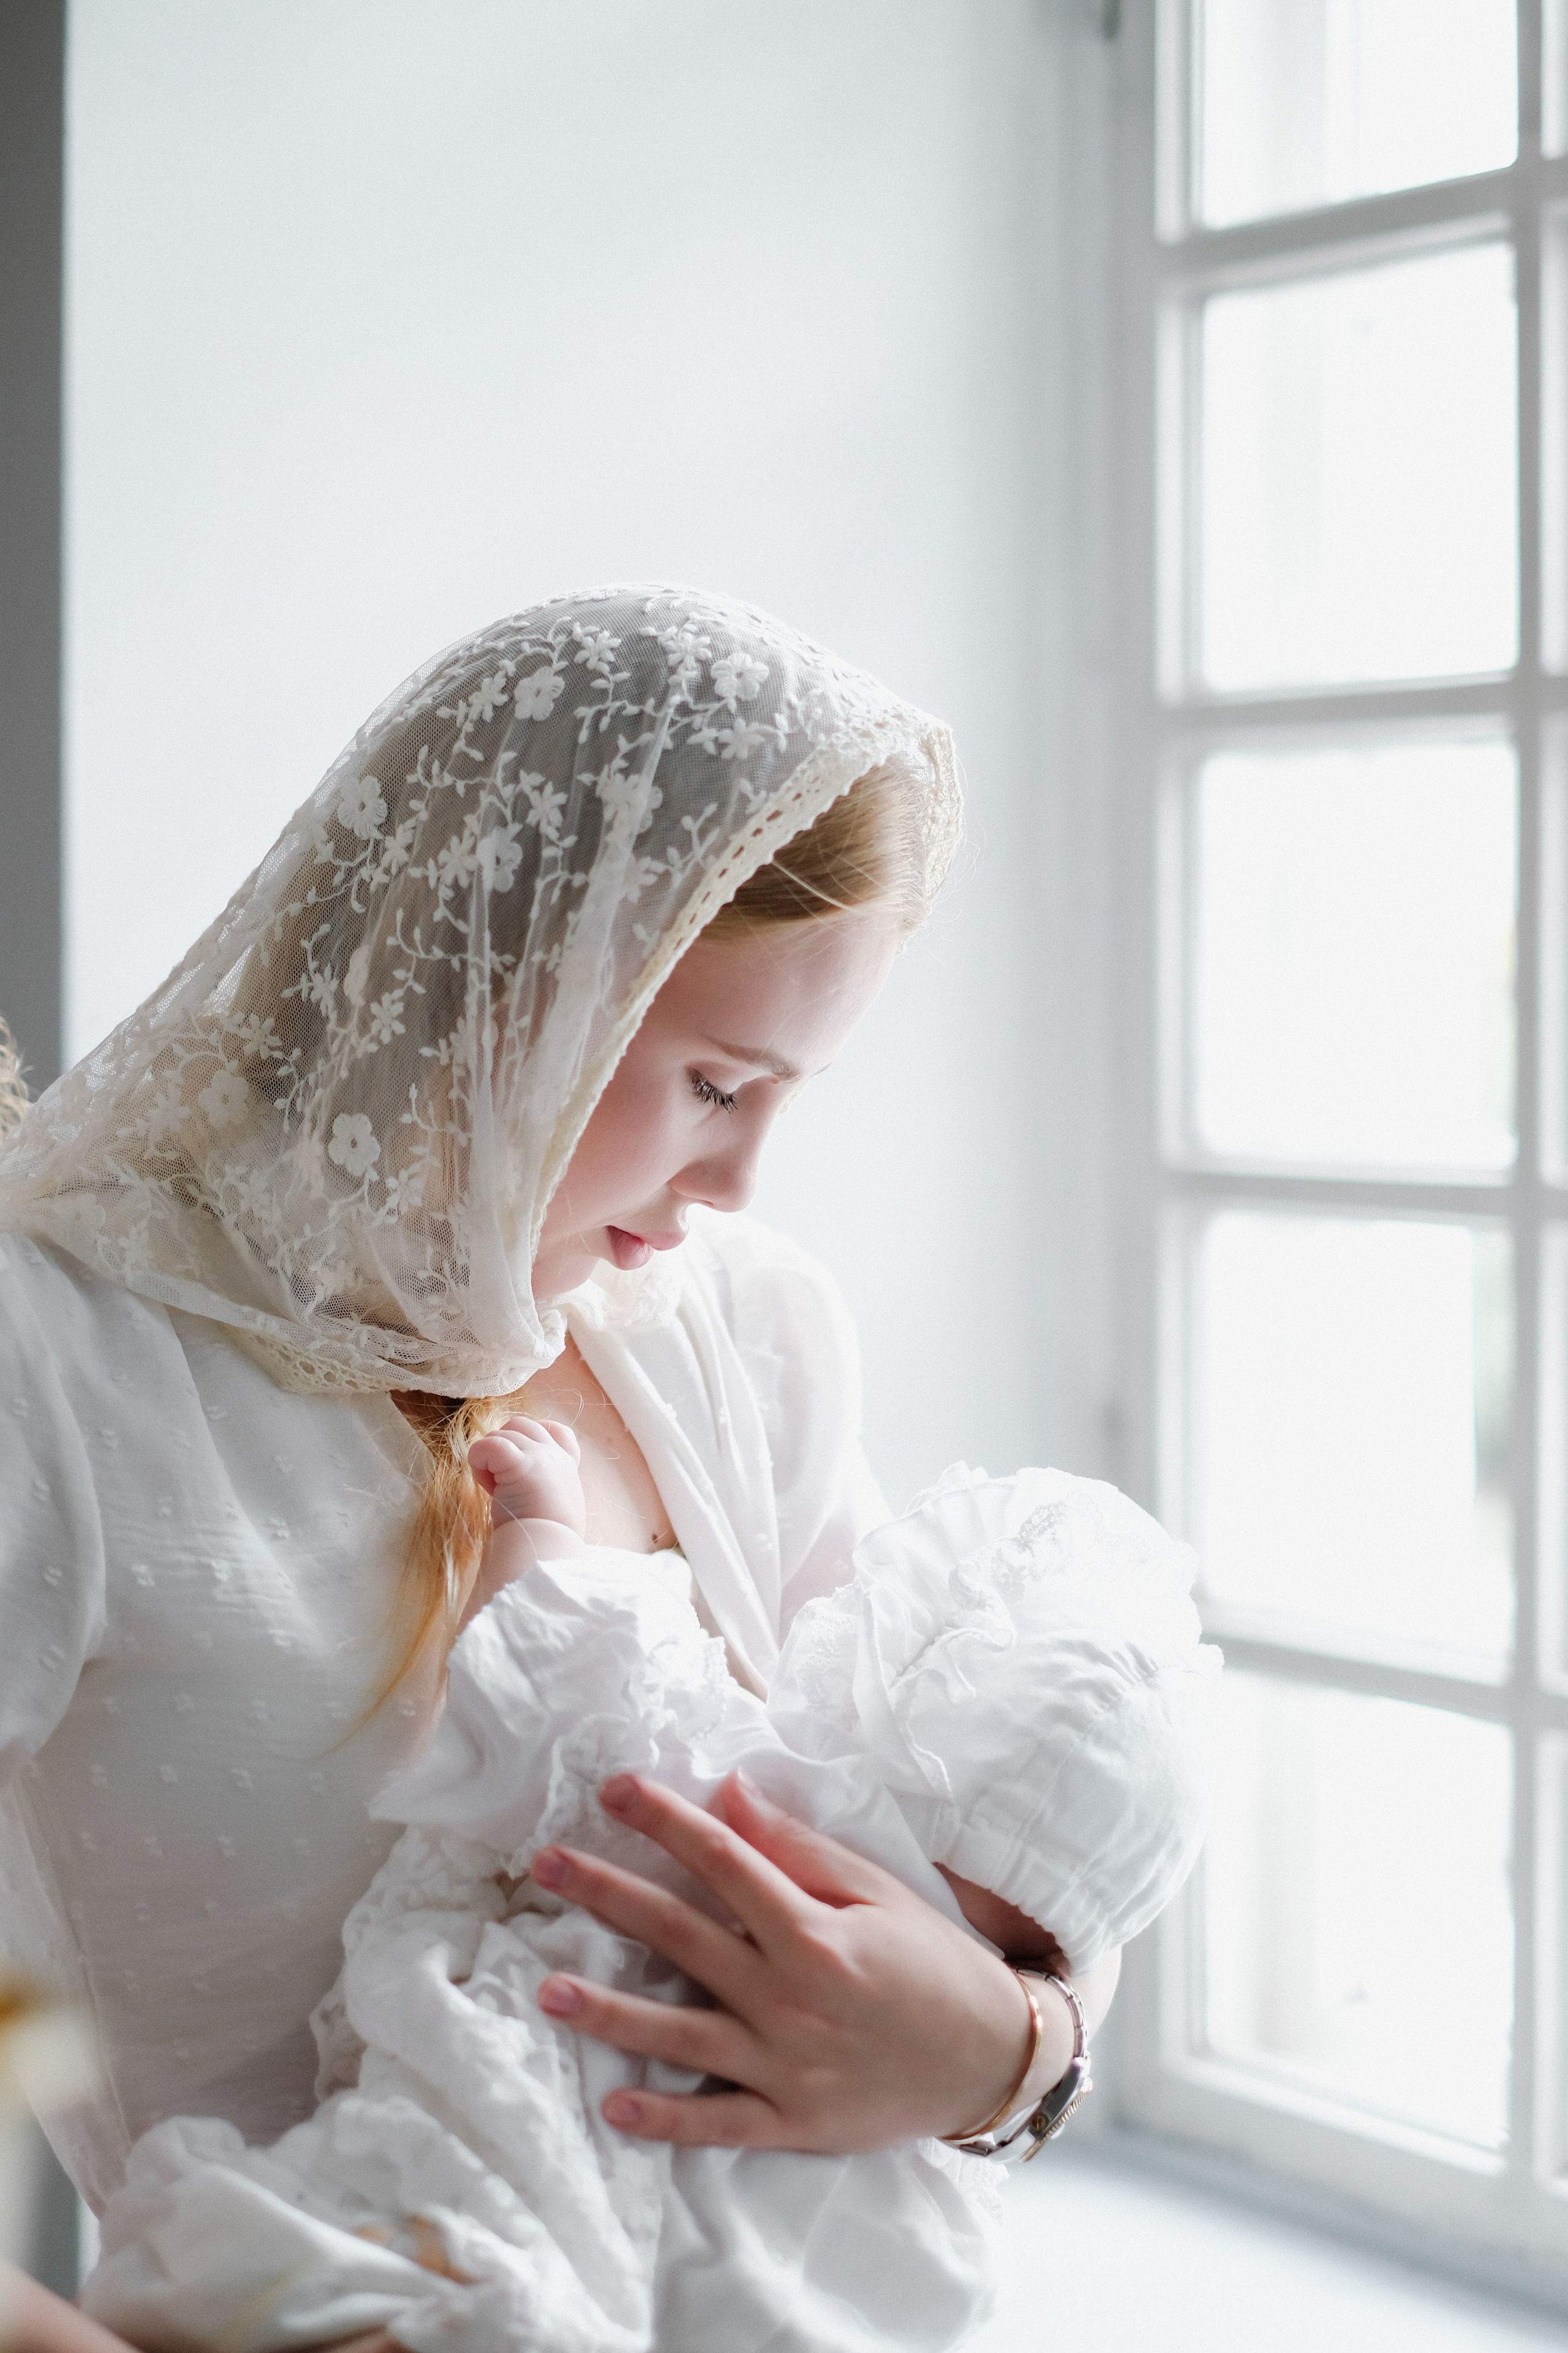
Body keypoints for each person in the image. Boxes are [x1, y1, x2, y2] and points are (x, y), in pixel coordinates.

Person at [0, 586, 1118, 2353]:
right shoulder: (58, 1362)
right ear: (496, 992)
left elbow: (969, 1807)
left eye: (789, 1094)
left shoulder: (744, 1329)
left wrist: (1010, 2054)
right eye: (716, 1082)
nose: (744, 1181)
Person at [78, 1430, 1215, 2353]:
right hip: (857, 2263)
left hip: (573, 2169)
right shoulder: (995, 1942)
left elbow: (545, 1685)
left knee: (439, 2272)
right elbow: (1071, 1948)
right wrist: (1018, 2025)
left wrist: (540, 1524)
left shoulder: (748, 1797)